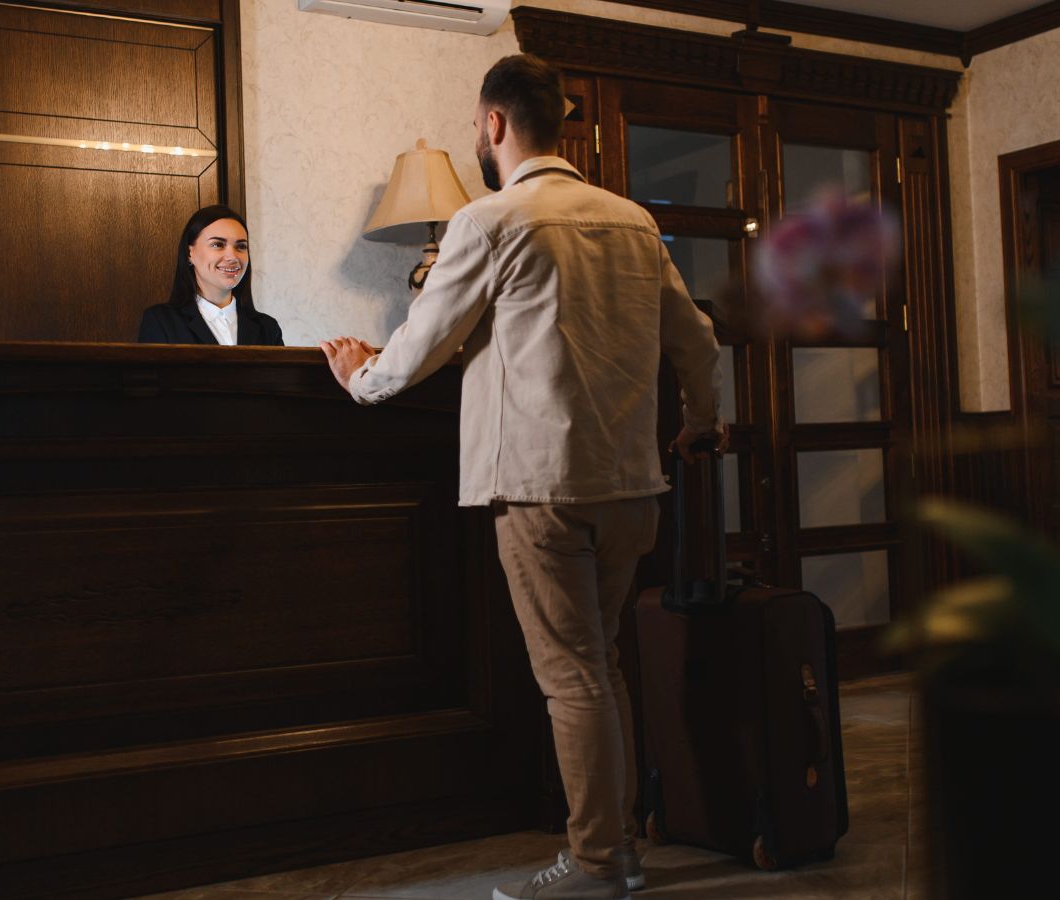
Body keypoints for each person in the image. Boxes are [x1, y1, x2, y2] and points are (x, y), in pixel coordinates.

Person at [320, 54, 723, 900]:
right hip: (632, 485)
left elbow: (425, 342)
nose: (477, 137)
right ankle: (618, 848)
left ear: (495, 124)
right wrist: (695, 423)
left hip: (541, 486)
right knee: (600, 670)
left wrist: (362, 377)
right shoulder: (634, 222)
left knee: (572, 678)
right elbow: (696, 340)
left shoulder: (490, 221)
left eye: (476, 126)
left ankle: (598, 864)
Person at [138, 205, 284, 346]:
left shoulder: (268, 328)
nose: (232, 256)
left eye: (241, 246)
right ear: (190, 253)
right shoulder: (162, 321)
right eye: (217, 244)